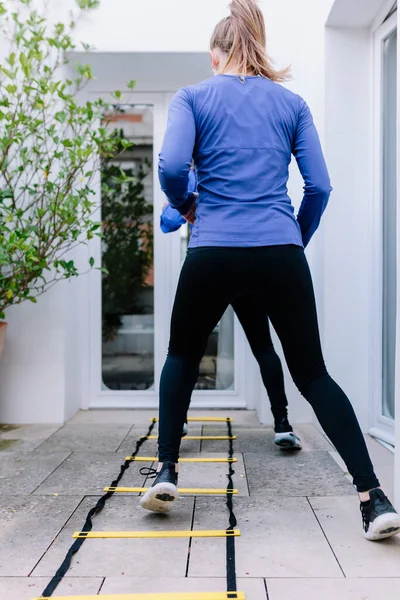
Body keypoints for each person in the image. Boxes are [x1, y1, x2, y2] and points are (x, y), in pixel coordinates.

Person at [140, 0, 400, 542]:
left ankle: (165, 471)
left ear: (217, 54)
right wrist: (293, 241)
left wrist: (187, 202)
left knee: (182, 355)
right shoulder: (292, 103)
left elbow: (168, 166)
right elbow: (320, 187)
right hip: (280, 251)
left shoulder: (193, 96)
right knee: (313, 374)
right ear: (254, 48)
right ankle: (373, 498)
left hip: (212, 250)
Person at [161, 170, 301, 450]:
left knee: (187, 353)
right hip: (251, 267)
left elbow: (168, 221)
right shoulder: (247, 174)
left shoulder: (195, 175)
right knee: (263, 346)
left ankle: (178, 421)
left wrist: (184, 204)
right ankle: (282, 423)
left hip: (212, 267)